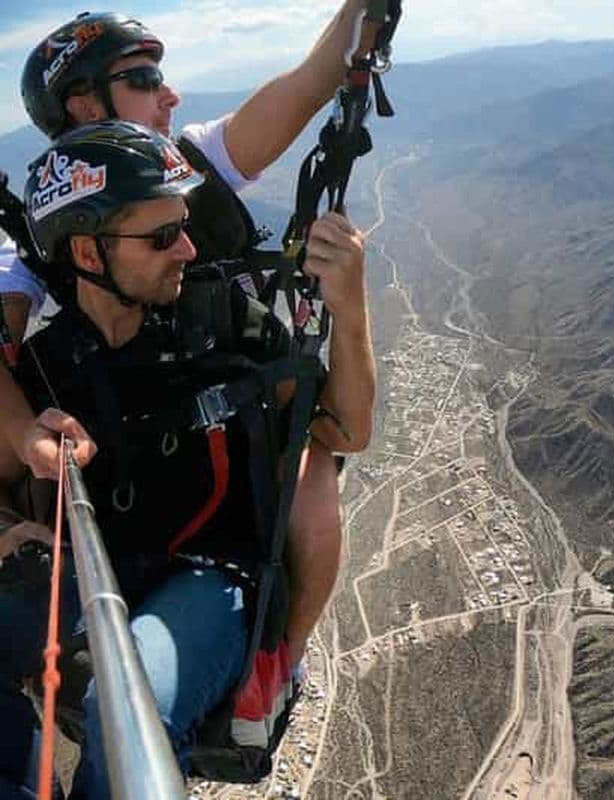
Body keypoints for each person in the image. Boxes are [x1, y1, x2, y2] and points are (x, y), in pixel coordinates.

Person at [0, 6, 376, 671]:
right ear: (83, 104)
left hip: (228, 406)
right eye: (142, 78)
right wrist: (26, 432)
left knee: (313, 466)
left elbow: (314, 78)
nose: (168, 94)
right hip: (117, 425)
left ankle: (274, 661)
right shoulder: (43, 227)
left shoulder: (193, 162)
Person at [0, 120, 367, 799]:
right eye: (163, 235)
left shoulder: (224, 323)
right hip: (96, 579)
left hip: (215, 583)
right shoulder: (51, 370)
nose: (189, 249)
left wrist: (350, 307)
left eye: (185, 225)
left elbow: (342, 431)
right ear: (87, 251)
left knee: (125, 704)